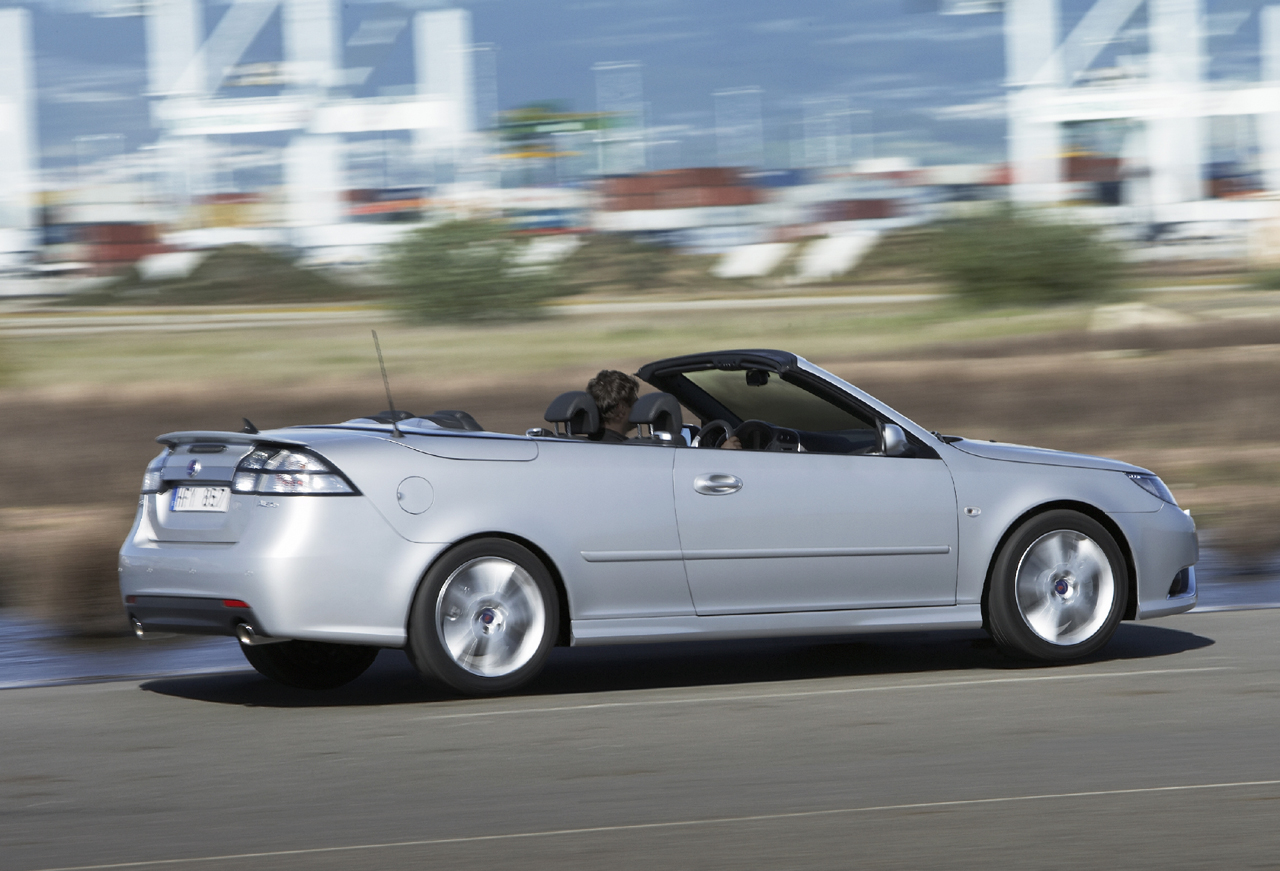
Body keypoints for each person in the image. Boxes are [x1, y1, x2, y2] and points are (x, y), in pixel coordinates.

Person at [587, 370, 639, 442]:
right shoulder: (628, 451)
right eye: (635, 401)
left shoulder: (581, 446)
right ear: (621, 408)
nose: (638, 407)